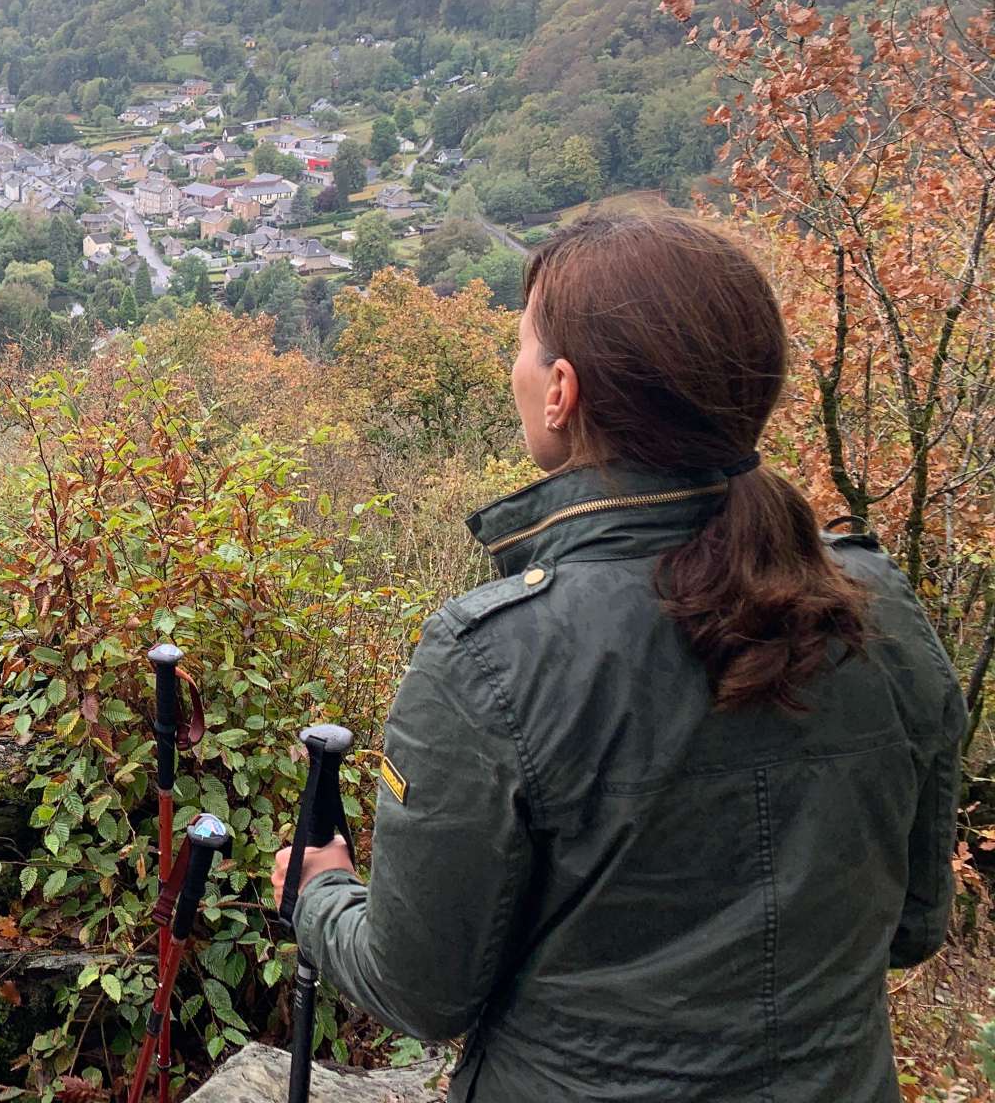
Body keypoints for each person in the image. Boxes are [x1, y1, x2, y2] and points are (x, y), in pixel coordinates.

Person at [272, 212, 964, 1101]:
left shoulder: (492, 659)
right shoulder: (875, 603)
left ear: (561, 390)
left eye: (521, 347)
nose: (516, 369)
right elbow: (912, 925)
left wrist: (320, 895)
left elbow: (421, 989)